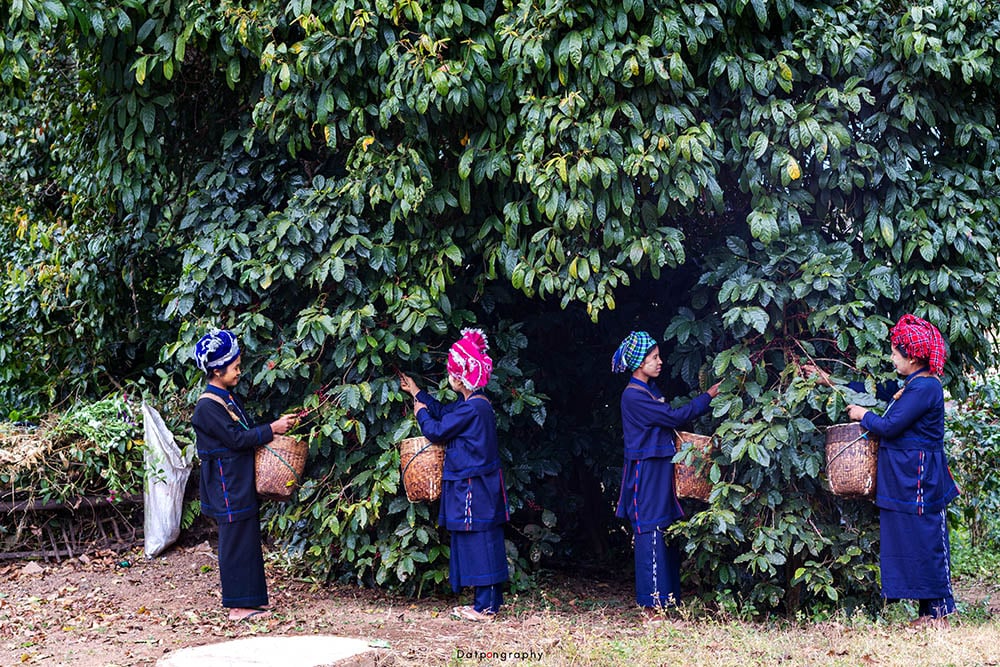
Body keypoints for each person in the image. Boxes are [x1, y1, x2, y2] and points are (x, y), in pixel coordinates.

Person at [809, 314, 960, 628]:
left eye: (895, 353)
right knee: (913, 539)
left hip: (919, 477)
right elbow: (877, 390)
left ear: (914, 357)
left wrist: (863, 415)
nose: (892, 358)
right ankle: (928, 612)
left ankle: (942, 612)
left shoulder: (925, 388)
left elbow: (889, 426)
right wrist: (829, 380)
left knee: (928, 537)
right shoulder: (912, 383)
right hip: (905, 475)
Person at [399, 328, 508, 622]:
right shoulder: (473, 404)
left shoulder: (472, 409)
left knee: (478, 539)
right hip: (478, 483)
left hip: (473, 485)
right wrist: (418, 393)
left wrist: (420, 412)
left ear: (460, 377)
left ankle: (483, 608)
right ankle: (488, 603)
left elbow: (436, 430)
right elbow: (446, 413)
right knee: (482, 538)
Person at [612, 331, 721, 621]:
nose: (660, 362)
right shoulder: (634, 396)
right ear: (638, 363)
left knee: (665, 527)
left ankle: (667, 600)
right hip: (645, 471)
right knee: (650, 529)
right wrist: (708, 397)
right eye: (654, 358)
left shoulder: (648, 390)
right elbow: (673, 417)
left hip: (659, 468)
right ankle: (652, 606)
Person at [191, 328, 297, 622]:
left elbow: (243, 433)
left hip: (239, 481)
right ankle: (237, 608)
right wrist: (272, 429)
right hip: (226, 485)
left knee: (248, 539)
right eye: (234, 367)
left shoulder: (225, 396)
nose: (239, 372)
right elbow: (237, 440)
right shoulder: (206, 407)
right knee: (235, 541)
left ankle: (252, 601)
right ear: (217, 370)